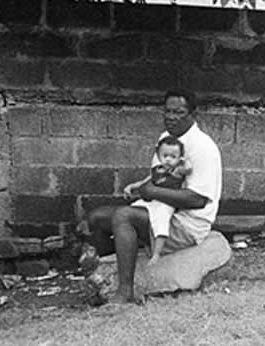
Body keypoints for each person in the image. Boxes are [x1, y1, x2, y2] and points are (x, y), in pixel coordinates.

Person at [81, 89, 222, 303]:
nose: (171, 117)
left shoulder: (203, 148)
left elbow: (198, 200)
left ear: (194, 114)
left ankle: (125, 292)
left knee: (123, 216)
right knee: (96, 218)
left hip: (185, 226)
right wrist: (141, 188)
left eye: (179, 112)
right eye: (168, 111)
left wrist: (152, 192)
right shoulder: (166, 139)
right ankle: (108, 273)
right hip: (158, 211)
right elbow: (157, 178)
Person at [130, 135, 192, 265]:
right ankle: (143, 241)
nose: (168, 160)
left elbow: (188, 169)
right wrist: (132, 186)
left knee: (161, 223)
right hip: (152, 201)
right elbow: (145, 181)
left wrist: (184, 161)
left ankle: (157, 253)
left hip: (166, 203)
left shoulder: (176, 171)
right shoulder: (156, 170)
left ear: (179, 158)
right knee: (132, 209)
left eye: (173, 157)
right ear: (158, 155)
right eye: (165, 156)